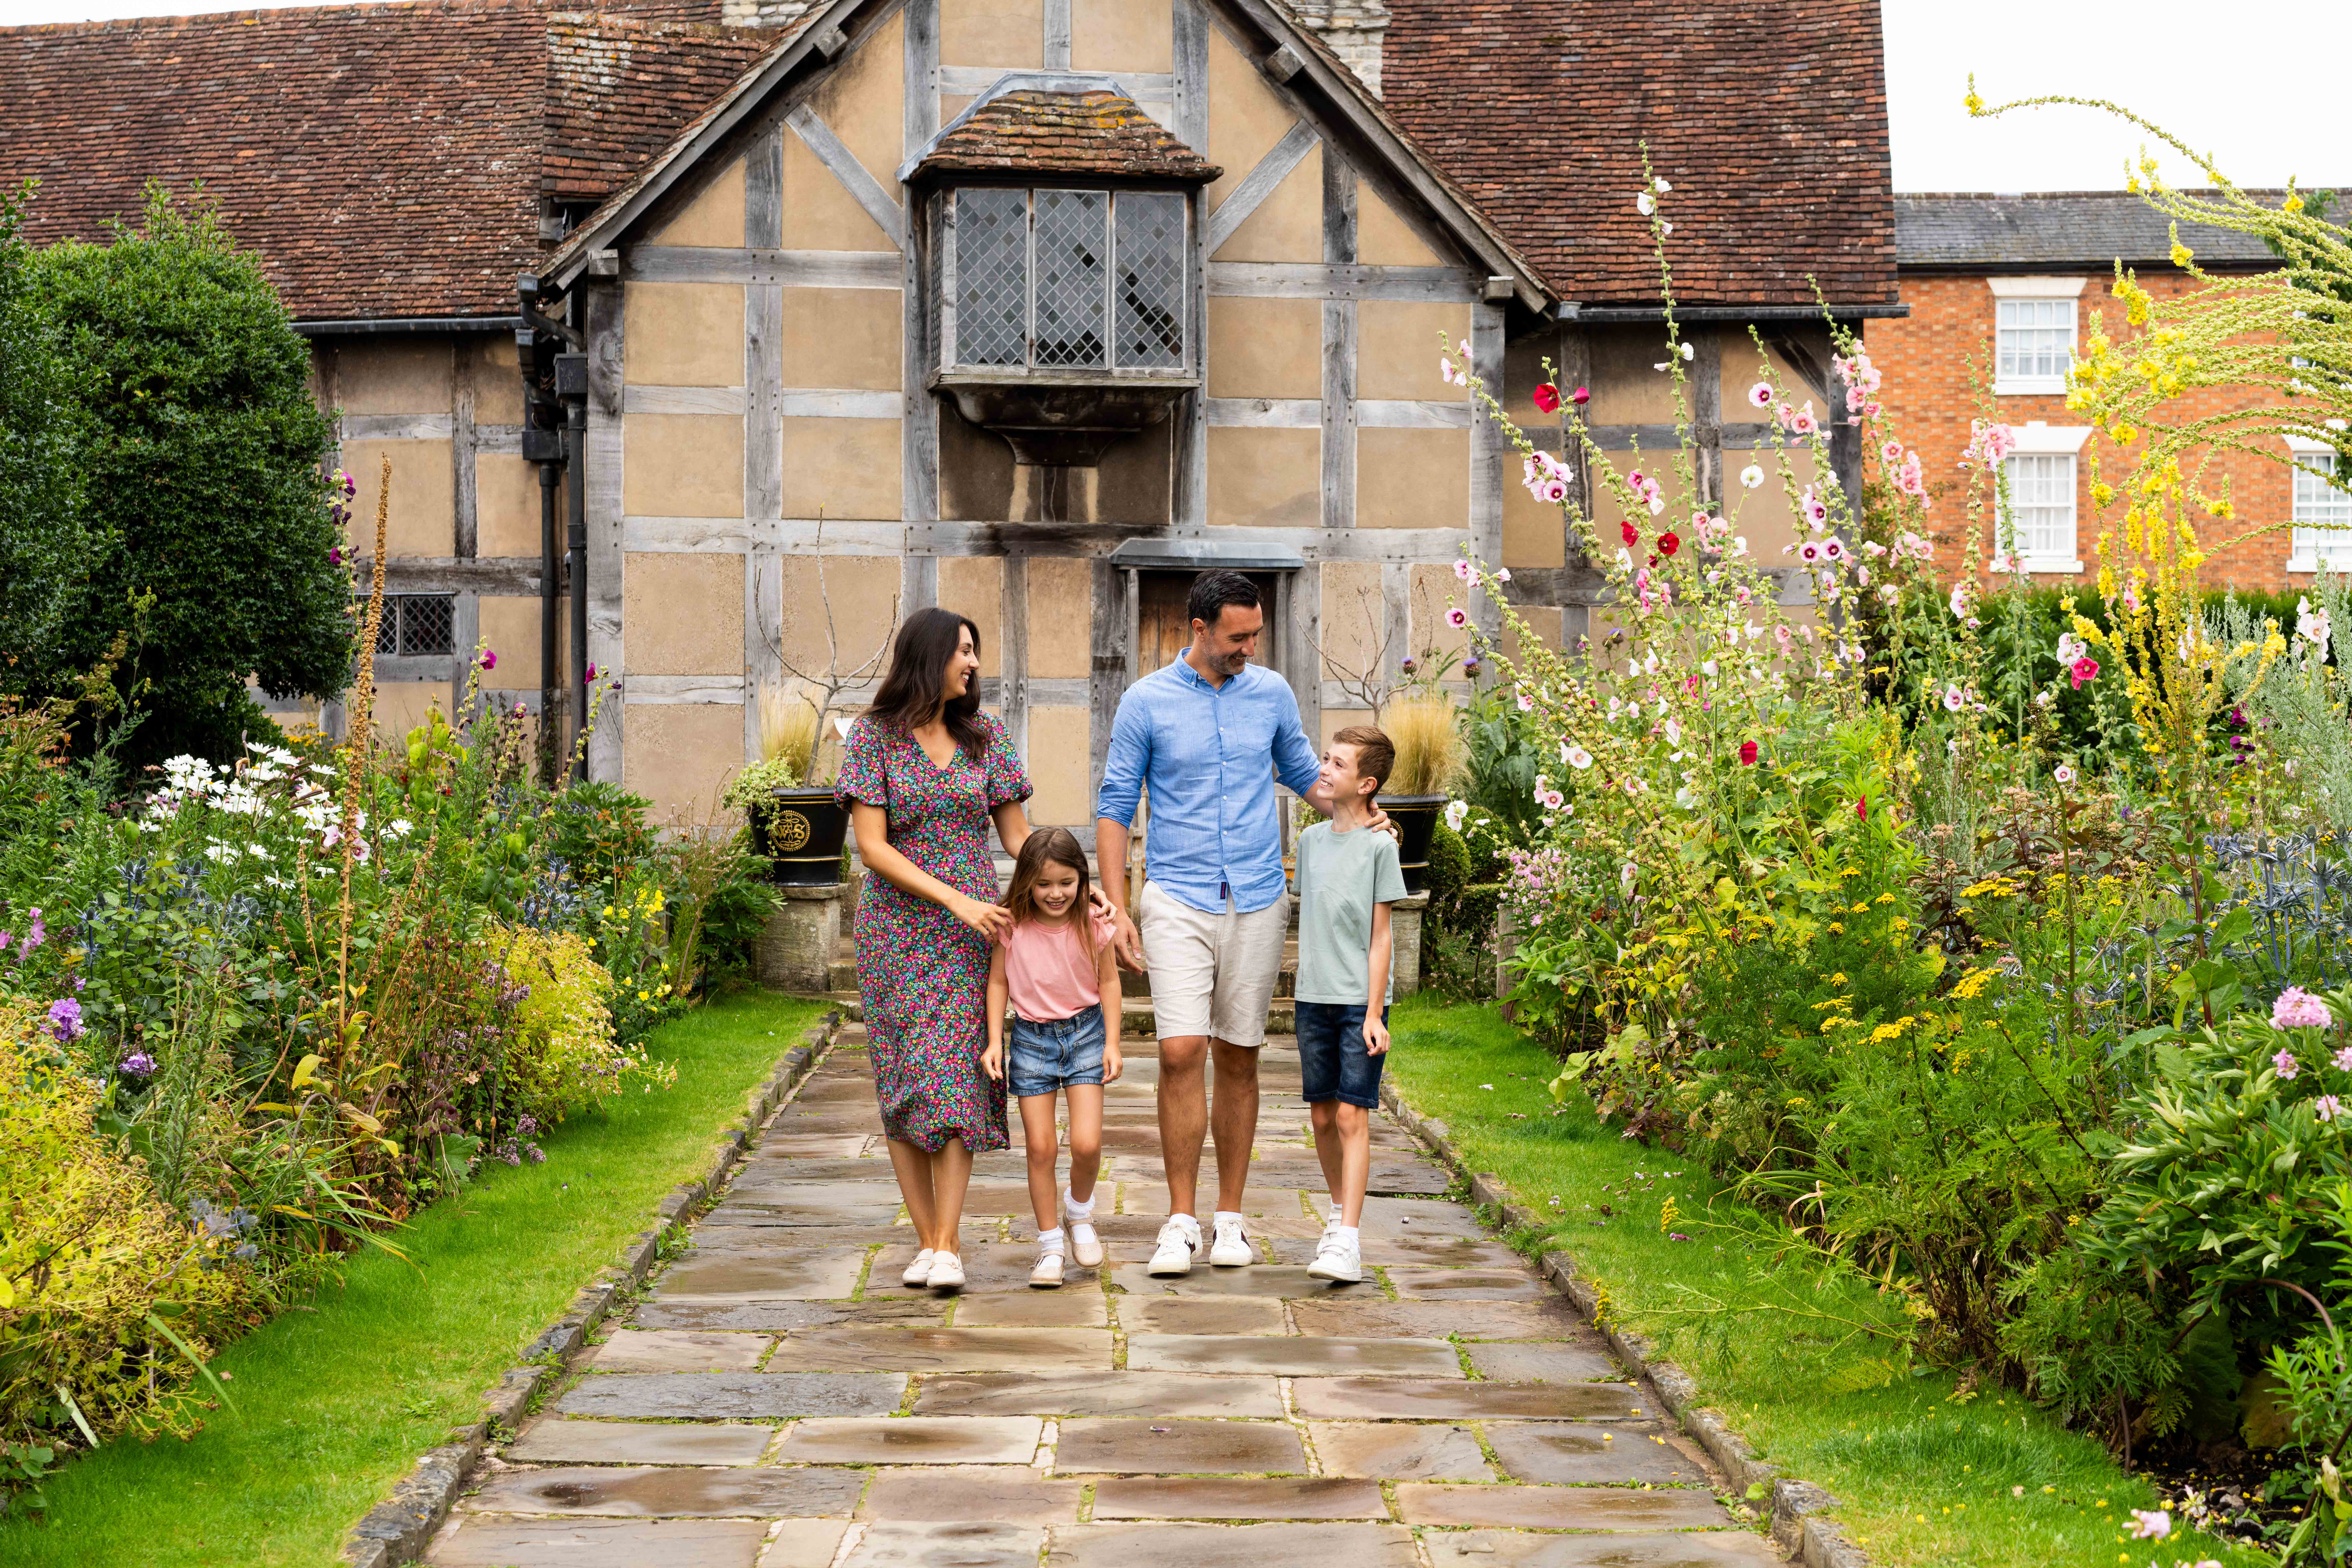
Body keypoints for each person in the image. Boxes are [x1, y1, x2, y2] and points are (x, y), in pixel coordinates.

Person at [1095, 570, 1386, 1277]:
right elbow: (1113, 805)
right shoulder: (1146, 701)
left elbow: (1304, 776)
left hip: (1256, 895)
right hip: (1178, 897)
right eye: (1238, 636)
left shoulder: (1272, 694)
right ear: (1198, 628)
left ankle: (1229, 1220)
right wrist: (1115, 905)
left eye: (1255, 633)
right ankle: (1179, 1221)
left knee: (1240, 1054)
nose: (1250, 646)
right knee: (1178, 1052)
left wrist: (1362, 818)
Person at [838, 607, 1036, 1294]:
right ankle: (926, 1241)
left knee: (956, 1076)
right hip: (896, 934)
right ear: (929, 657)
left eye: (976, 652)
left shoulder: (986, 740)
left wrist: (1071, 880)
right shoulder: (874, 739)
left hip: (972, 937)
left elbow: (1018, 840)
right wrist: (951, 897)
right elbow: (873, 847)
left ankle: (947, 1246)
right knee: (903, 1079)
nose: (975, 663)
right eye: (964, 651)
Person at [982, 828, 1123, 1288]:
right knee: (1041, 1148)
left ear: (1082, 880)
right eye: (1044, 884)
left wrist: (1113, 1042)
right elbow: (999, 982)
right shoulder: (1012, 927)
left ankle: (1079, 1213)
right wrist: (995, 1041)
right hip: (1030, 1042)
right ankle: (1049, 1246)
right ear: (1026, 883)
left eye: (1066, 882)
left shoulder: (1094, 923)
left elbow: (1109, 984)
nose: (1056, 893)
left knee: (1085, 1143)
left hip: (1085, 1036)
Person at [1292, 726, 1407, 1284]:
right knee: (1320, 1116)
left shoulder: (1382, 847)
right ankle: (1338, 1216)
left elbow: (1381, 936)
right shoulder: (1310, 844)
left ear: (1366, 784)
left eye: (1336, 764)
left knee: (1349, 1113)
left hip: (1359, 1006)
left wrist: (1372, 1013)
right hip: (1312, 1000)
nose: (1324, 768)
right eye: (1325, 758)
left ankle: (1350, 1239)